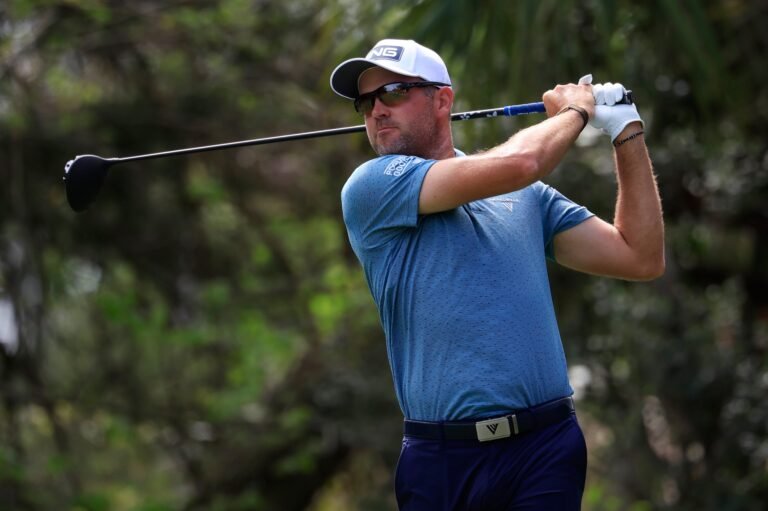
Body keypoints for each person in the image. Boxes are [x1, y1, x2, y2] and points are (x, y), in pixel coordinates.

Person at [329, 39, 664, 510]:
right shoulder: (371, 187)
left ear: (442, 100)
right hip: (442, 460)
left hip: (544, 449)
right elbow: (521, 162)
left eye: (395, 92)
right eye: (366, 102)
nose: (377, 110)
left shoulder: (527, 196)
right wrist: (575, 112)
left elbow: (640, 256)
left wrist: (626, 129)